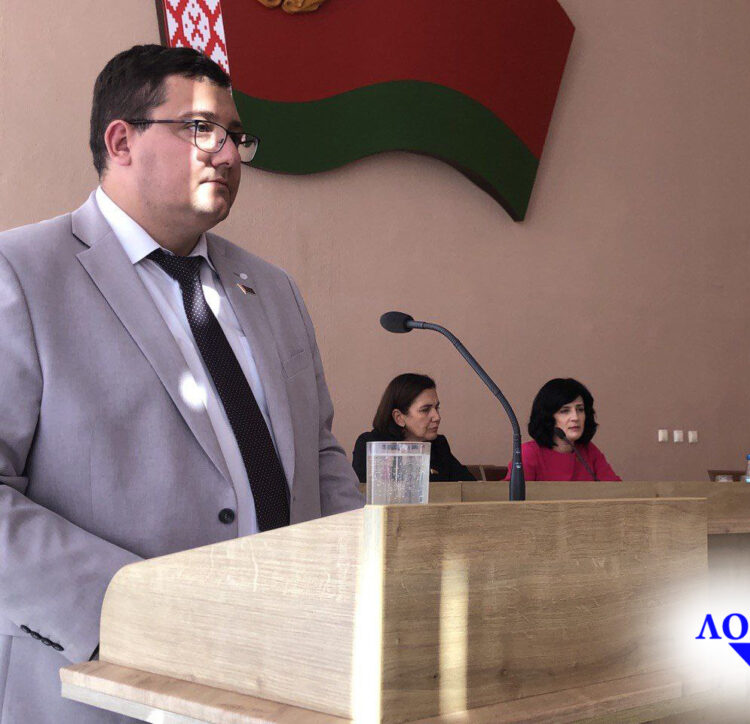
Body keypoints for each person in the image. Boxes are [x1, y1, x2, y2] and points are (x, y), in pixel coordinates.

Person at [0, 45, 362, 723]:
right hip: (107, 685)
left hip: (286, 678)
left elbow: (318, 458)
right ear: (121, 141)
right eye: (200, 128)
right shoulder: (20, 273)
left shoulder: (271, 288)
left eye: (235, 136)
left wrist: (362, 595)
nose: (227, 154)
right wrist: (138, 616)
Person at [352, 374, 475, 483]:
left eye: (436, 408)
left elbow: (471, 488)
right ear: (399, 417)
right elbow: (362, 495)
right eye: (425, 410)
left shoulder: (438, 445)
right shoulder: (372, 445)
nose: (437, 417)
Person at [509, 378, 621, 482]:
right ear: (548, 417)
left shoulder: (589, 451)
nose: (575, 417)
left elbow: (616, 490)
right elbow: (511, 495)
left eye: (580, 409)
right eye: (565, 411)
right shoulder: (528, 453)